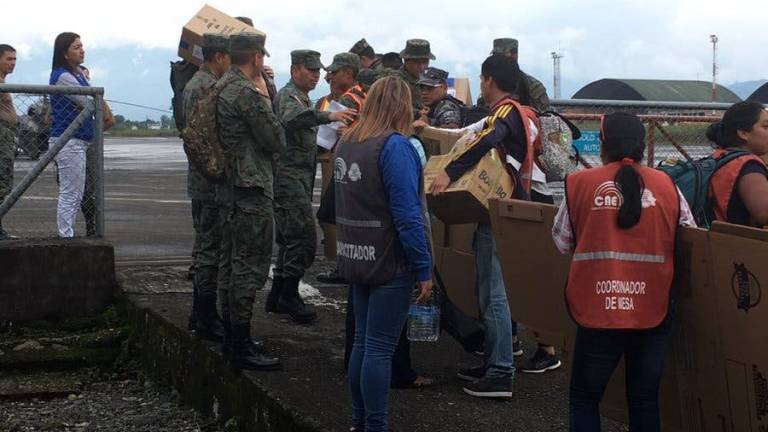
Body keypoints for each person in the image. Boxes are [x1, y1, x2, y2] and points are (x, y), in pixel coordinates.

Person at [552, 112, 695, 431]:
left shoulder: (579, 183)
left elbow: (562, 241)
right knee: (644, 399)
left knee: (585, 398)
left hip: (597, 308)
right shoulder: (667, 185)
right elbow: (688, 234)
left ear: (603, 144)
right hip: (653, 307)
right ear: (643, 146)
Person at [429, 54, 536, 399]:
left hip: (497, 214)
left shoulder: (506, 111)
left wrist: (451, 170)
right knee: (488, 289)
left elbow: (487, 140)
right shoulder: (515, 111)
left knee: (494, 295)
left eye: (481, 78)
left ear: (489, 80)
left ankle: (501, 371)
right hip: (497, 212)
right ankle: (494, 360)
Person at [336, 75, 433, 432]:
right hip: (391, 261)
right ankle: (376, 425)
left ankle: (360, 422)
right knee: (380, 348)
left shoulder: (349, 142)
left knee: (362, 342)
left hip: (356, 256)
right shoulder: (396, 147)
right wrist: (423, 267)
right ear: (402, 106)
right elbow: (408, 215)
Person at [266, 50, 355, 324]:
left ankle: (279, 295)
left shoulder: (301, 98)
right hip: (287, 180)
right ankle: (289, 295)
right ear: (295, 71)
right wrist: (326, 117)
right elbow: (293, 119)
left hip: (299, 179)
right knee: (303, 239)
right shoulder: (289, 97)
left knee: (289, 239)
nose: (317, 75)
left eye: (318, 71)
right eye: (311, 70)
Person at [216, 32, 283, 370]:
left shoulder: (221, 84)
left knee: (230, 263)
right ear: (257, 58)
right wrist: (267, 97)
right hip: (251, 186)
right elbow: (274, 139)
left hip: (229, 185)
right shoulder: (246, 92)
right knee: (248, 265)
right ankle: (240, 344)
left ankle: (232, 336)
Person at [181, 33, 231, 341]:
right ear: (219, 57)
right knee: (209, 249)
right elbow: (201, 138)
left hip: (203, 180)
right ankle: (204, 314)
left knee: (206, 247)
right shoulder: (204, 87)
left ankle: (202, 313)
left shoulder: (198, 84)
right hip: (209, 182)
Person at [49, 33, 96, 238]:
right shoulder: (62, 76)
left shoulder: (77, 74)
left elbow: (92, 100)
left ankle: (68, 234)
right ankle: (65, 236)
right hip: (69, 141)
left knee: (77, 194)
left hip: (80, 140)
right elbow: (89, 102)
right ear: (65, 53)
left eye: (81, 46)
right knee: (70, 193)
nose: (82, 50)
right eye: (76, 47)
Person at [706, 101, 768, 226]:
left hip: (716, 238)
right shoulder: (749, 166)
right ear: (743, 133)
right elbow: (765, 214)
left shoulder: (720, 157)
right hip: (740, 242)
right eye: (766, 127)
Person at [477, 38, 550, 113]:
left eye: (499, 56)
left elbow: (546, 118)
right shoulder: (491, 85)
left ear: (513, 56)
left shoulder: (533, 87)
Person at [0, 44, 17, 240]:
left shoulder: (4, 81)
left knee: (5, 181)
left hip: (8, 134)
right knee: (3, 182)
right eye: (8, 59)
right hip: (2, 135)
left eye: (14, 60)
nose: (12, 63)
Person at [398, 39, 434, 114]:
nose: (422, 67)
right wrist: (418, 113)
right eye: (416, 62)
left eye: (425, 62)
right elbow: (392, 108)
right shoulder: (395, 82)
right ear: (406, 60)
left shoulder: (429, 80)